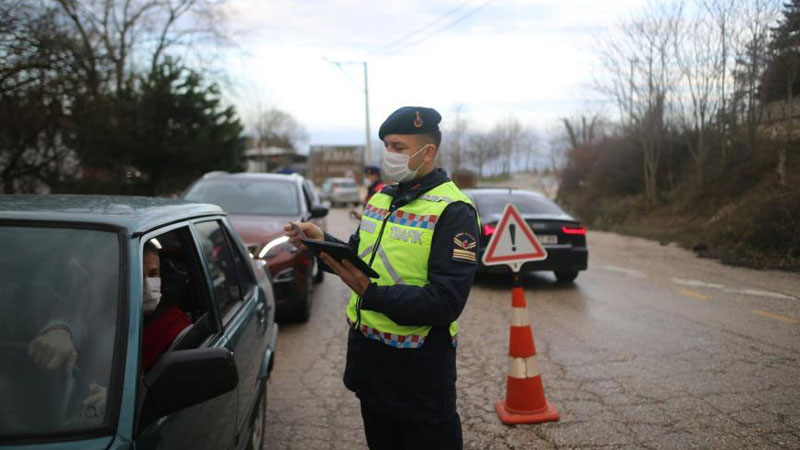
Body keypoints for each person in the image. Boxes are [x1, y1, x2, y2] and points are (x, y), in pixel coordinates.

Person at [286, 106, 480, 450]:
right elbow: (357, 261)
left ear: (428, 152)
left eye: (399, 147)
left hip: (419, 373)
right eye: (387, 147)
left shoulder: (454, 211)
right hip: (372, 365)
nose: (389, 155)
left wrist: (372, 293)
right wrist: (319, 241)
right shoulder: (382, 198)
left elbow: (446, 302)